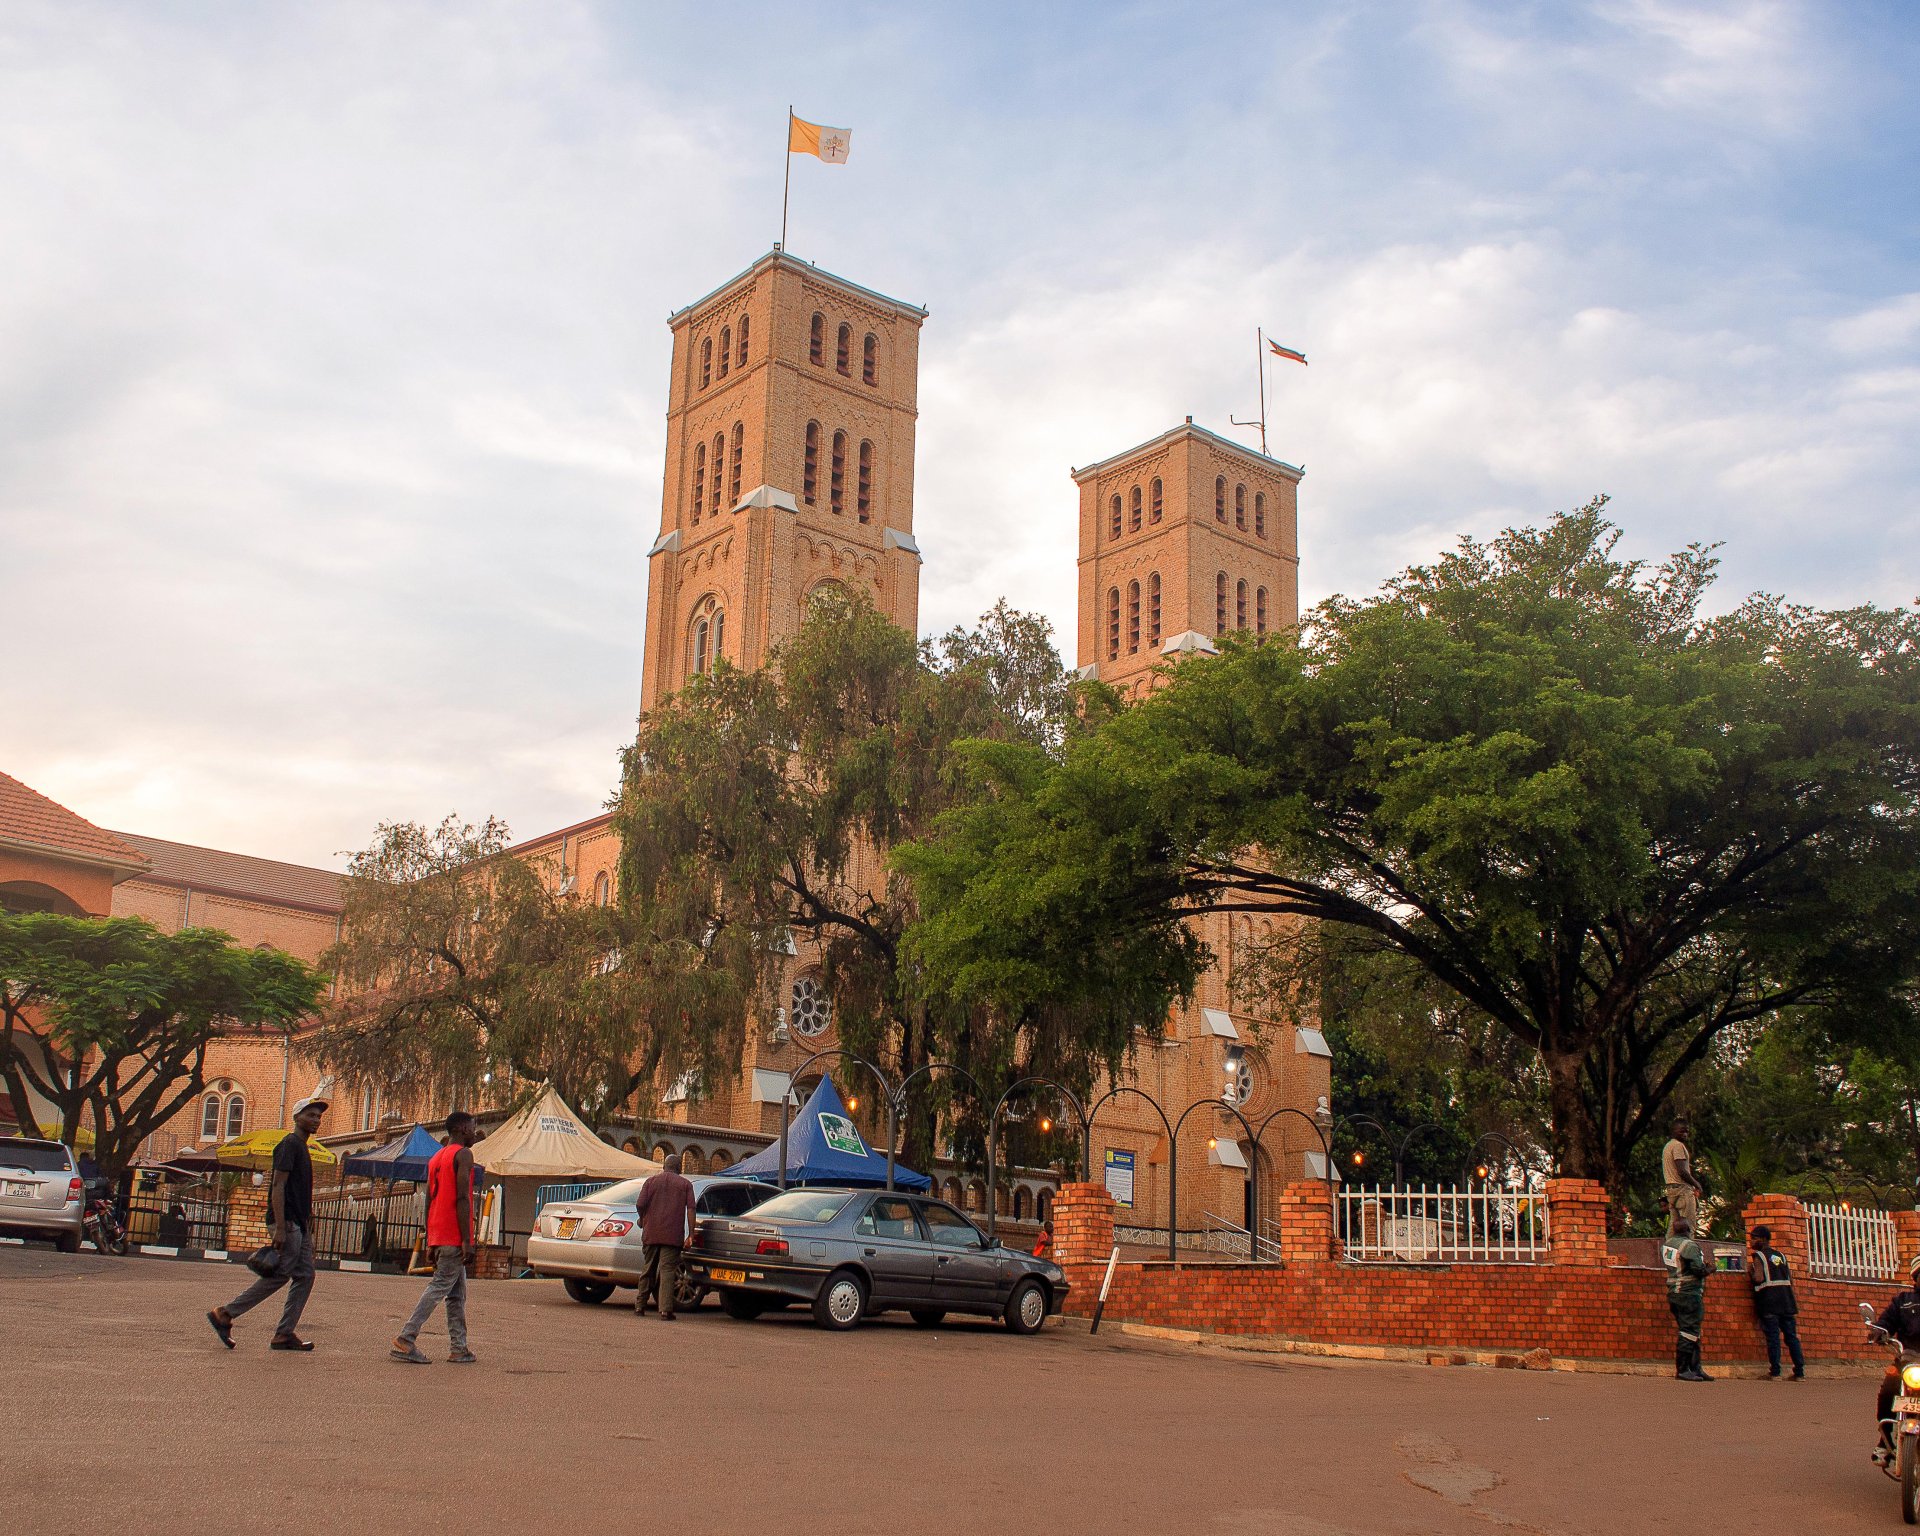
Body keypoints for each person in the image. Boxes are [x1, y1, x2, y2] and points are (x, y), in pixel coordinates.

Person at [206, 1094, 327, 1352]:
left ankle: (284, 1334)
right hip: (288, 1222)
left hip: (299, 1224)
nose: (316, 1120)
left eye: (318, 1116)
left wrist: (308, 1227)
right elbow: (278, 1185)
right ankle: (226, 1313)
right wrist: (280, 1227)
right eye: (310, 1115)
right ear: (297, 1117)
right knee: (281, 1274)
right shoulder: (289, 1145)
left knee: (306, 1275)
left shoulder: (303, 1147)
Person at [390, 1111, 481, 1366]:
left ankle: (459, 1348)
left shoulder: (436, 1158)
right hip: (453, 1235)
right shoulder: (463, 1154)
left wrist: (431, 1239)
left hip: (439, 1234)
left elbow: (430, 1201)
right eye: (472, 1127)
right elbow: (462, 1197)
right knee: (439, 1287)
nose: (475, 1133)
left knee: (456, 1294)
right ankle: (406, 1338)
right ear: (462, 1129)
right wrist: (467, 1240)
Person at [631, 1153, 695, 1319]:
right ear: (679, 1167)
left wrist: (643, 1219)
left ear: (664, 1166)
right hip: (672, 1236)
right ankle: (665, 1310)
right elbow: (691, 1209)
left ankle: (640, 1306)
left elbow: (640, 1204)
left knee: (648, 1269)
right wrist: (691, 1234)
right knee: (667, 1271)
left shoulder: (650, 1181)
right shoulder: (685, 1184)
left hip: (651, 1232)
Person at [1872, 1255, 1920, 1462]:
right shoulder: (1903, 1301)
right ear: (1915, 1277)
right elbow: (1886, 1321)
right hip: (1908, 1360)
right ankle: (1885, 1442)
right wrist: (1879, 1331)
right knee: (1888, 1391)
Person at [1746, 1223, 1805, 1380]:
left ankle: (1775, 1372)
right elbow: (1790, 1280)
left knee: (1773, 1338)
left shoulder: (1759, 1256)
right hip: (1787, 1302)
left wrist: (1750, 1273)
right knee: (1791, 1337)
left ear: (1763, 1239)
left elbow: (1758, 1278)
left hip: (1770, 1302)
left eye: (1754, 1238)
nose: (1751, 1242)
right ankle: (1799, 1372)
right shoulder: (1779, 1256)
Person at [1661, 1214, 1714, 1382]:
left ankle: (1695, 1368)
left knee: (1691, 1330)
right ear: (1689, 1230)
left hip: (1674, 1292)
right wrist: (1709, 1269)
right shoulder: (1689, 1245)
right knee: (1689, 1331)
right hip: (1689, 1293)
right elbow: (1697, 1269)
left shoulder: (1668, 1245)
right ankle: (1683, 1369)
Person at [1662, 1117, 1702, 1237]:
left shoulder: (1667, 1146)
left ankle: (1668, 1248)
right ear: (1674, 1131)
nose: (1685, 1134)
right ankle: (1689, 1249)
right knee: (1688, 1226)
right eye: (1681, 1131)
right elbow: (1682, 1171)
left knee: (1674, 1228)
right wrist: (1696, 1184)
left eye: (1686, 1132)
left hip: (1671, 1191)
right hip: (1682, 1191)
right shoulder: (1678, 1146)